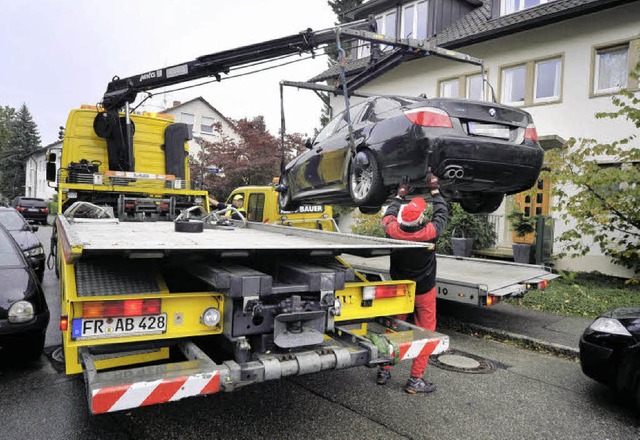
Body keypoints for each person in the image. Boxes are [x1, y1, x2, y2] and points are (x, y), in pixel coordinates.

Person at [376, 173, 448, 394]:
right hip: (424, 291)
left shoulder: (393, 231)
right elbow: (442, 213)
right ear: (418, 220)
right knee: (426, 332)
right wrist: (434, 189)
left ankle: (384, 370)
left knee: (394, 328)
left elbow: (387, 215)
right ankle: (415, 379)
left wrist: (400, 195)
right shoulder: (428, 233)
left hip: (399, 290)